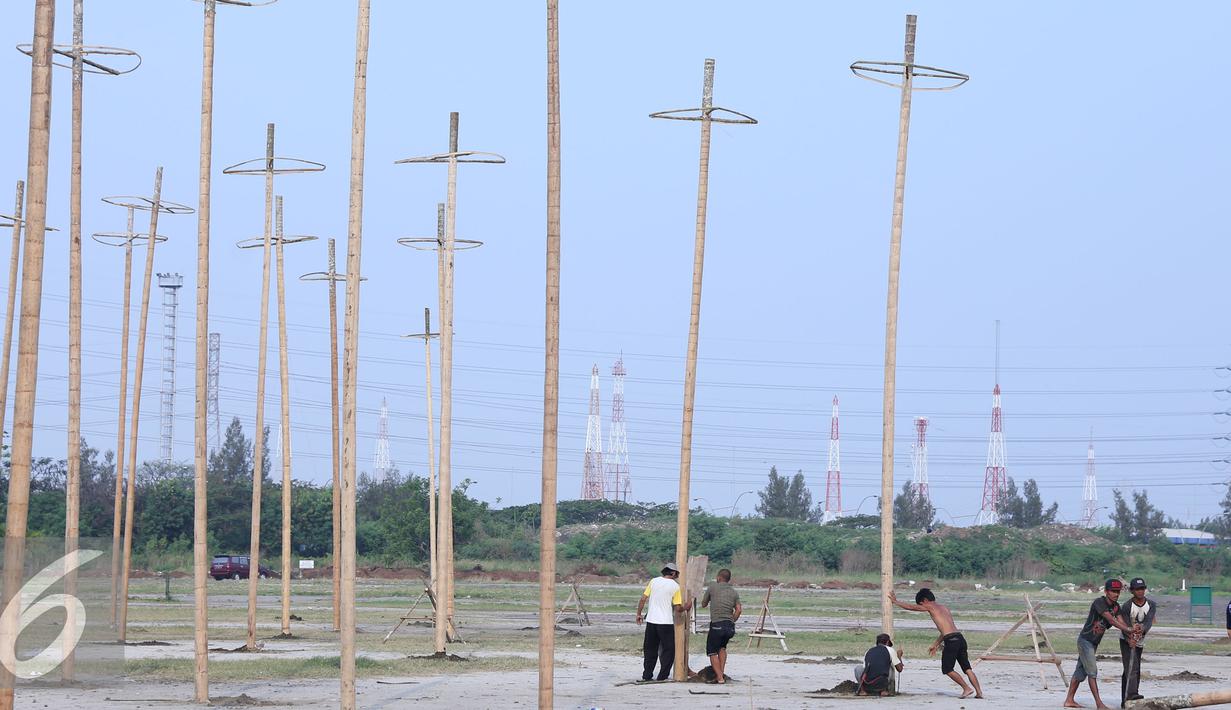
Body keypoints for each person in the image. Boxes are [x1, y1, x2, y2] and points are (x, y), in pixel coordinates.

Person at [889, 588, 983, 699]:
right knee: (967, 668)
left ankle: (966, 688)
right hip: (960, 638)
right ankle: (979, 692)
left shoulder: (929, 606)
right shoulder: (944, 608)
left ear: (925, 600)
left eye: (921, 604)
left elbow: (912, 607)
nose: (922, 606)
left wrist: (896, 602)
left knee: (947, 669)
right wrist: (936, 644)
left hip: (951, 641)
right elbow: (945, 631)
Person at [1064, 579, 1136, 710]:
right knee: (1092, 672)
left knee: (1080, 672)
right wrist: (1129, 630)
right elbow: (1111, 620)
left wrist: (1130, 635)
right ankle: (1099, 704)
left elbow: (1122, 623)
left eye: (1118, 592)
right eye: (1113, 591)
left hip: (1094, 643)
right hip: (1085, 641)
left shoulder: (1116, 607)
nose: (1116, 594)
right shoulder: (1099, 602)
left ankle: (1069, 700)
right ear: (1106, 591)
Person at [636, 562, 684, 681]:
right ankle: (662, 676)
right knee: (669, 650)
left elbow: (643, 599)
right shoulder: (675, 586)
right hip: (665, 623)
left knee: (650, 649)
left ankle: (647, 675)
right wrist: (686, 607)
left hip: (651, 621)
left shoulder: (654, 581)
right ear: (673, 573)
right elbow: (678, 608)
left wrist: (638, 614)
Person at [700, 568, 741, 684]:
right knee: (722, 648)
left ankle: (719, 678)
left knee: (712, 651)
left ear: (718, 578)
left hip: (717, 625)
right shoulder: (734, 592)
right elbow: (738, 610)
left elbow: (703, 604)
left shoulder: (712, 587)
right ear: (728, 579)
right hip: (729, 626)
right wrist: (732, 620)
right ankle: (721, 672)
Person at [1120, 577, 1155, 707]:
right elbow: (1125, 624)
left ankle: (1127, 697)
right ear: (1132, 591)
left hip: (1140, 639)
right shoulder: (1127, 606)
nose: (1140, 591)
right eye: (1137, 589)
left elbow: (1149, 621)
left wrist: (1142, 630)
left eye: (1142, 588)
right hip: (1126, 639)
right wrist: (1130, 638)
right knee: (1131, 667)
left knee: (1134, 668)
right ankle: (1131, 695)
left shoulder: (1151, 604)